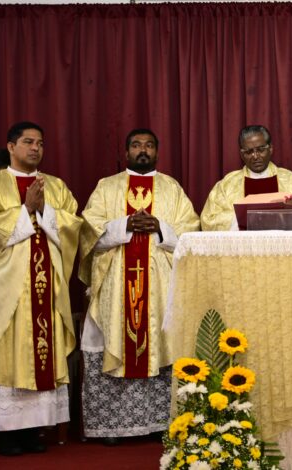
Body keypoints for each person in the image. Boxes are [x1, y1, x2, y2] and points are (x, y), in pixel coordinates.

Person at [0, 122, 81, 455]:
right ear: (11, 147)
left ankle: (33, 431)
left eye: (40, 143)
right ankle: (7, 433)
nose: (35, 148)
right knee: (8, 353)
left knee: (41, 353)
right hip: (6, 289)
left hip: (45, 287)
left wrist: (44, 208)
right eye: (28, 142)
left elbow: (73, 224)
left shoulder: (54, 185)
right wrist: (26, 208)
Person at [78, 128, 200, 444]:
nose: (142, 150)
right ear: (126, 151)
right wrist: (125, 225)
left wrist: (160, 228)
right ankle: (114, 427)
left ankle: (160, 422)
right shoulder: (107, 187)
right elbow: (89, 233)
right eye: (136, 145)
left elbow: (190, 231)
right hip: (117, 284)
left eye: (148, 145)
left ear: (157, 151)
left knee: (159, 346)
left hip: (159, 286)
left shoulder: (171, 188)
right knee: (116, 342)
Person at [201, 125, 292, 231]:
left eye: (261, 149)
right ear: (241, 154)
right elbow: (208, 220)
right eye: (249, 152)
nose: (255, 156)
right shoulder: (227, 184)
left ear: (270, 149)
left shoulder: (290, 180)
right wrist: (243, 218)